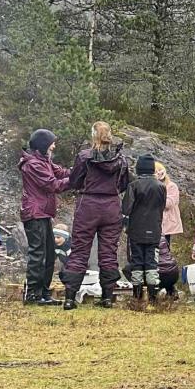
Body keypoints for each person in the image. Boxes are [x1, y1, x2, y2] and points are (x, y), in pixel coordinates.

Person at [61, 121, 131, 310]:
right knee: (108, 252)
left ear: (93, 135)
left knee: (79, 250)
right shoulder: (121, 159)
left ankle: (69, 298)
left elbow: (74, 181)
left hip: (88, 206)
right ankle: (107, 297)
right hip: (111, 206)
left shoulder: (85, 156)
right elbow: (124, 184)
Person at [18, 129, 71, 306]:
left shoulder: (43, 160)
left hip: (44, 213)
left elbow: (61, 172)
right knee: (38, 254)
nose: (54, 146)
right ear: (43, 145)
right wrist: (76, 180)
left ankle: (44, 293)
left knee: (49, 254)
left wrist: (80, 170)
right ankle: (33, 294)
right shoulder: (33, 164)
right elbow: (52, 184)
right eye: (51, 143)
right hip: (35, 214)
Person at [122, 154, 167, 301]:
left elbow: (126, 209)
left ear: (139, 169)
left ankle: (137, 296)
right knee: (151, 262)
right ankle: (153, 297)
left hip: (136, 229)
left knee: (137, 262)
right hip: (154, 228)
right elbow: (162, 207)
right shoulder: (161, 186)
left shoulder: (133, 185)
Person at [155, 162, 183, 248]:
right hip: (155, 222)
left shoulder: (171, 186)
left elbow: (169, 204)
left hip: (166, 223)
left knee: (164, 248)